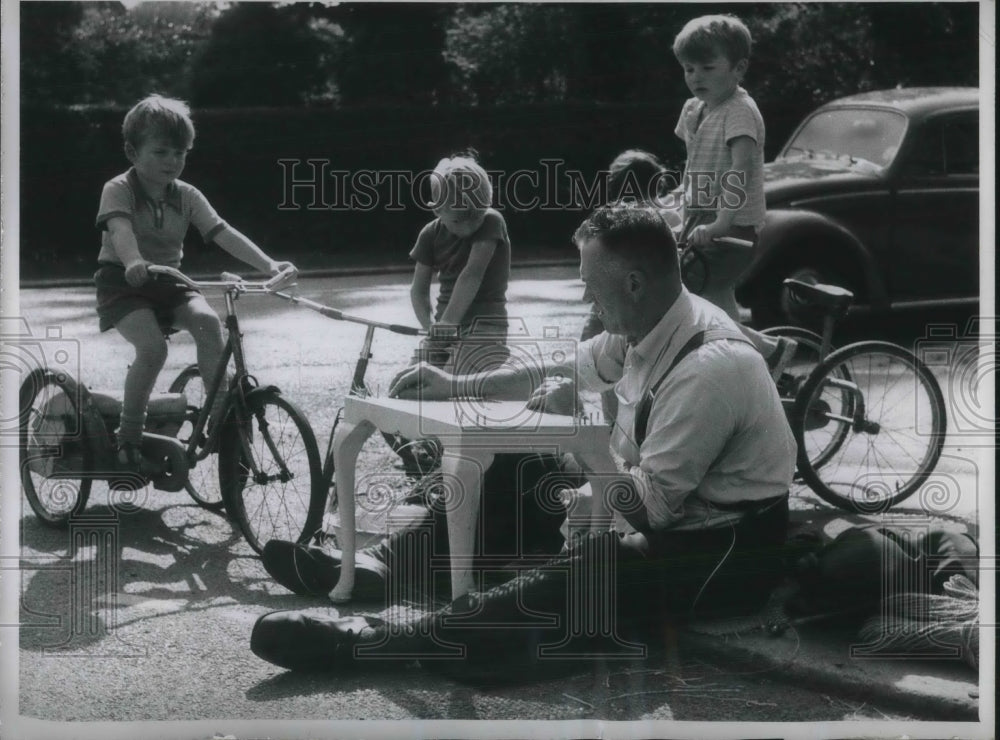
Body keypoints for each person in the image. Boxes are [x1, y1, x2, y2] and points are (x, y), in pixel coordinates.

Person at [250, 204, 796, 680]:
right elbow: (557, 369)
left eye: (589, 281)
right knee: (512, 462)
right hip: (660, 507)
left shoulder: (707, 367)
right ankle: (385, 566)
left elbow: (651, 509)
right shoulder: (649, 324)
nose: (584, 294)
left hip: (723, 550)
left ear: (633, 282)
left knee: (598, 566)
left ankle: (387, 640)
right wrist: (456, 384)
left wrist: (594, 477)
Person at [95, 95, 296, 473]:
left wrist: (269, 264)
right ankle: (129, 436)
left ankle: (223, 424)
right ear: (131, 151)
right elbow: (120, 230)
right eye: (161, 152)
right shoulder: (118, 188)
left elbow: (223, 233)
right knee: (152, 350)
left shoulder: (187, 195)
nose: (172, 161)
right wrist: (134, 260)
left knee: (208, 325)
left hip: (172, 281)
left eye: (180, 153)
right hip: (124, 282)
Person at [671, 14, 796, 380]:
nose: (696, 77)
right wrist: (677, 202)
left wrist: (722, 220)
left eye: (708, 67)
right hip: (701, 222)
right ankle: (760, 366)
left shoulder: (740, 111)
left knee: (694, 302)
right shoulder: (694, 110)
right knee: (718, 311)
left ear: (739, 69)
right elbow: (694, 163)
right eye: (688, 68)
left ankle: (768, 354)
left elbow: (740, 168)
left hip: (733, 227)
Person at [409, 154, 511, 374]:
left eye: (476, 217)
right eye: (458, 220)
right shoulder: (429, 235)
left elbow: (472, 274)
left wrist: (448, 323)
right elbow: (418, 290)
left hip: (485, 327)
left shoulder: (492, 221)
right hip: (445, 327)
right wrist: (430, 329)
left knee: (452, 383)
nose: (469, 227)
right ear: (437, 210)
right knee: (410, 383)